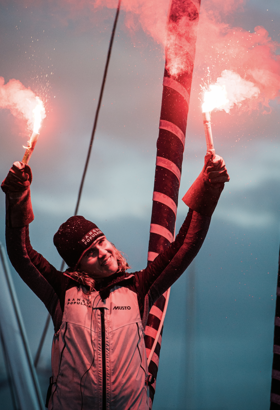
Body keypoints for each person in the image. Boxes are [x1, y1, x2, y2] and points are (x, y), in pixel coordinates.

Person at [1, 152, 229, 410]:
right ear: (77, 266)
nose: (102, 253)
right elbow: (21, 255)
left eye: (101, 242)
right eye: (90, 254)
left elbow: (185, 245)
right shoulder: (61, 290)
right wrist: (17, 194)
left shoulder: (139, 287)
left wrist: (209, 185)